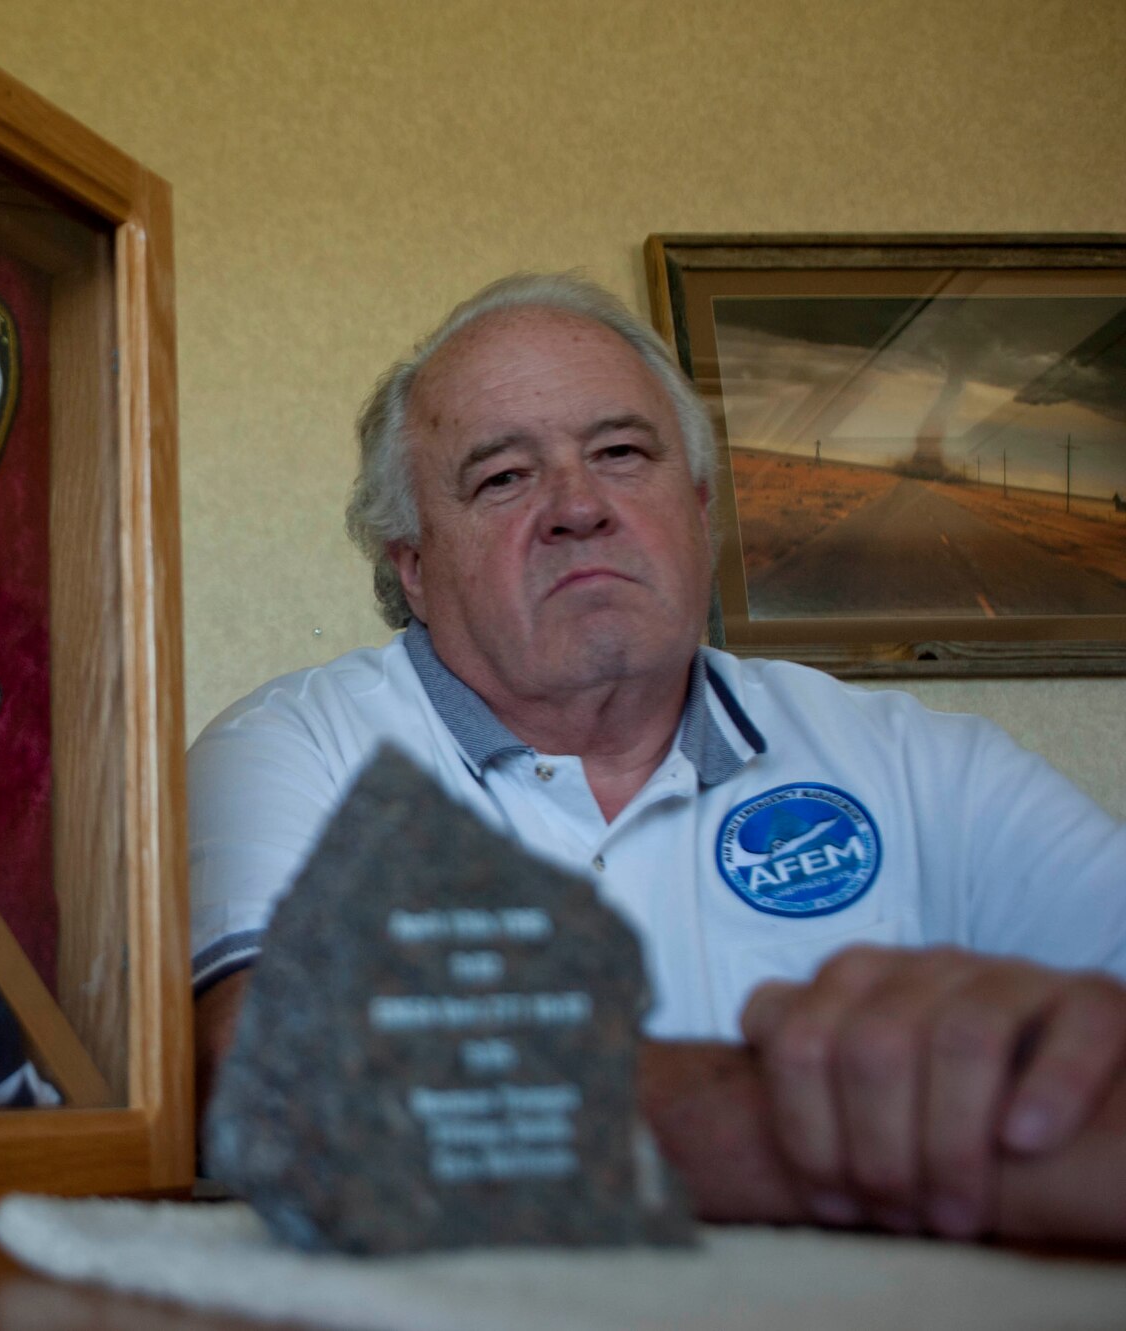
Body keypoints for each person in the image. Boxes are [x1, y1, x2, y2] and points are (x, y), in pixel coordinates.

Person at [189, 272, 1126, 1244]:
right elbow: (268, 1071)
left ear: (696, 509)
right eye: (502, 476)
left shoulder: (927, 764)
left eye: (621, 452)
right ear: (413, 567)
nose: (576, 505)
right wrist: (824, 1127)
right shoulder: (289, 746)